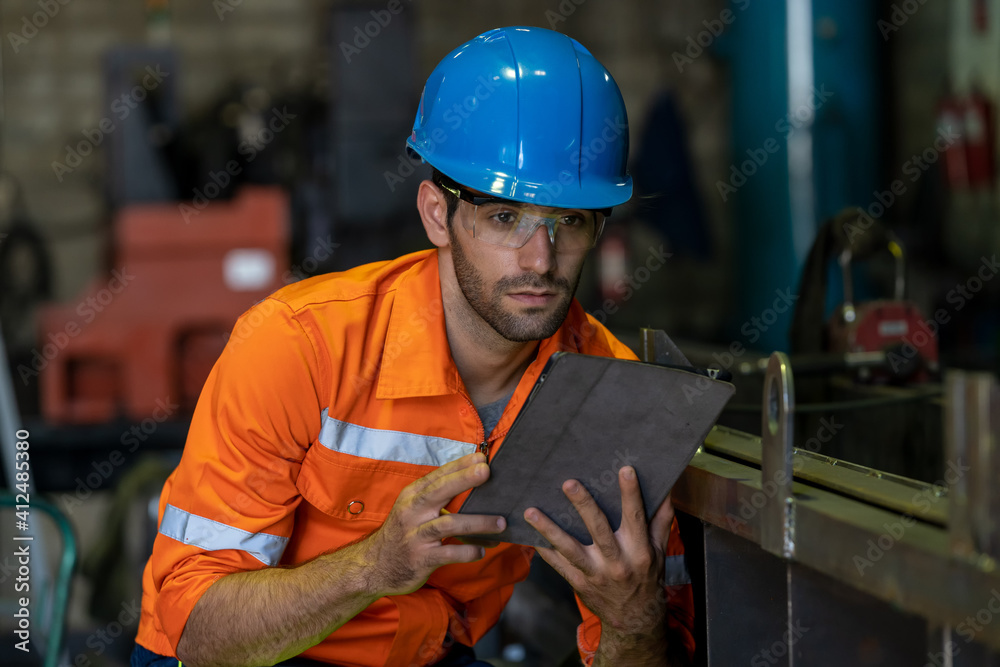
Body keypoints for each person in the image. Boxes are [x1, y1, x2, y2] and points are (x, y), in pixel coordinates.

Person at [131, 26, 695, 667]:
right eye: (503, 216)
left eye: (569, 222)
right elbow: (198, 633)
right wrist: (372, 566)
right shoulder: (300, 345)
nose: (540, 260)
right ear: (437, 215)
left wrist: (631, 617)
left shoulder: (606, 394)